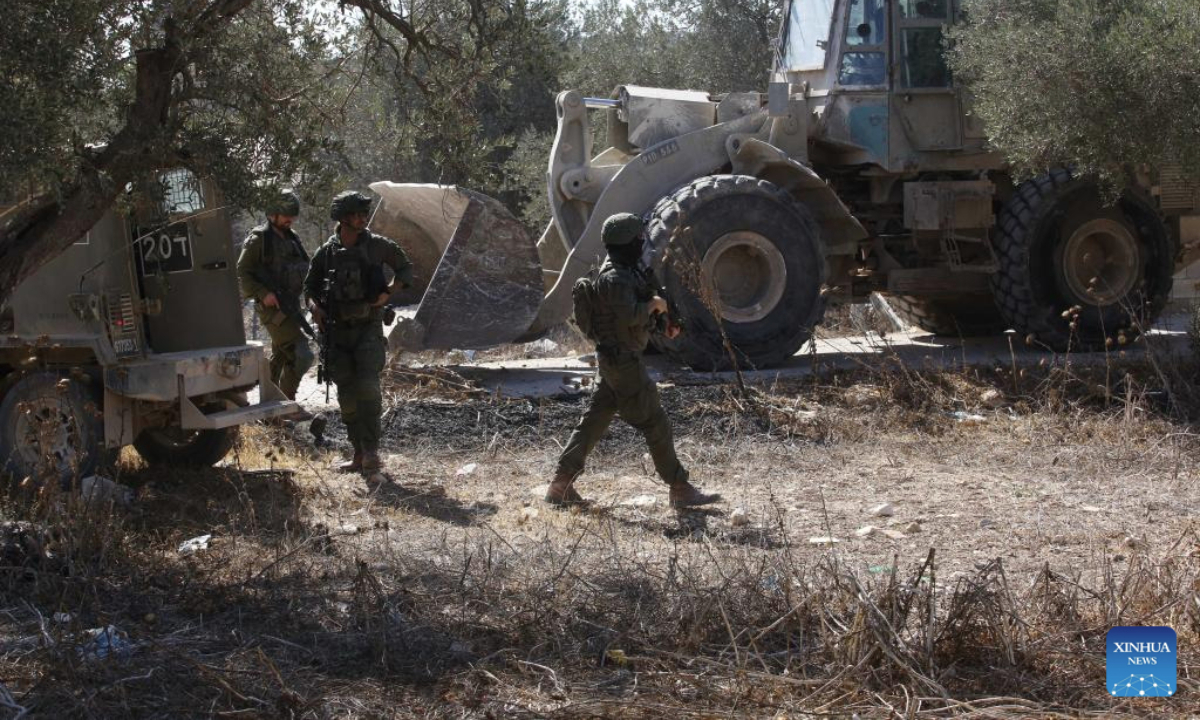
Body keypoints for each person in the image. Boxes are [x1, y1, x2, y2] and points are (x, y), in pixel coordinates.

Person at [547, 213, 722, 509]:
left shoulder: (625, 274)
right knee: (655, 422)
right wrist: (654, 305)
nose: (642, 244)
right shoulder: (615, 277)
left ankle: (561, 484)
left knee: (594, 421)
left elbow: (626, 321)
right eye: (638, 240)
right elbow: (629, 315)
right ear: (629, 242)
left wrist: (663, 322)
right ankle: (679, 487)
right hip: (623, 363)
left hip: (614, 362)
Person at [305, 191, 413, 476]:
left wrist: (388, 293)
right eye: (355, 215)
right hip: (337, 333)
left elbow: (405, 269)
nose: (361, 219)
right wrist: (315, 307)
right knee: (347, 395)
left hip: (368, 328)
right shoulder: (325, 252)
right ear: (341, 218)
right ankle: (358, 452)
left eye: (363, 214)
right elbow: (309, 289)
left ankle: (373, 451)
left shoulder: (377, 246)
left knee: (368, 386)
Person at [236, 190, 314, 420]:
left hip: (291, 306)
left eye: (293, 215)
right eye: (285, 215)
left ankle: (269, 409)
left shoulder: (293, 238)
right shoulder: (260, 239)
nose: (290, 219)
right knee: (302, 354)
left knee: (280, 356)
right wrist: (263, 292)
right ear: (272, 215)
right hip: (272, 310)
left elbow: (305, 269)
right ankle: (287, 405)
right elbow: (242, 272)